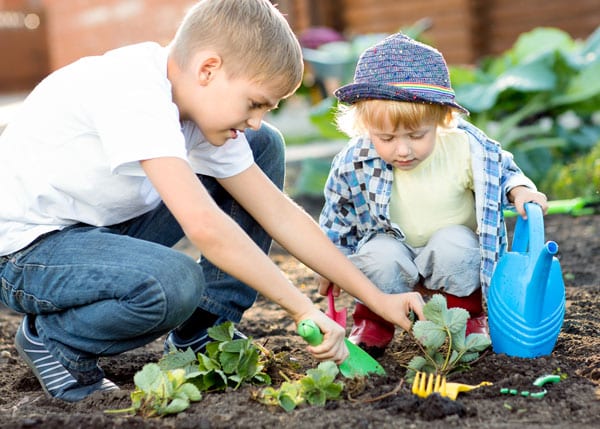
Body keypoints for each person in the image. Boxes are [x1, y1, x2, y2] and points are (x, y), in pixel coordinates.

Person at [0, 1, 425, 402]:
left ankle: (205, 330)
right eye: (255, 103)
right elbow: (205, 226)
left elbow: (277, 213)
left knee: (261, 144)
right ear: (208, 69)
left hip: (94, 232)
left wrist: (375, 297)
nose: (256, 117)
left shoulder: (195, 103)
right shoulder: (133, 90)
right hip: (26, 254)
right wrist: (302, 310)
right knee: (173, 283)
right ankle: (57, 342)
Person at [317, 33, 548, 358]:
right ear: (365, 128)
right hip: (393, 249)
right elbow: (338, 215)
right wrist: (329, 262)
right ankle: (373, 324)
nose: (402, 149)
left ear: (441, 118)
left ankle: (465, 320)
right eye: (386, 137)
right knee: (375, 256)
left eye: (416, 135)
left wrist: (521, 190)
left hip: (450, 255)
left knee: (457, 245)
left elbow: (504, 170)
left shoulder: (467, 148)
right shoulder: (354, 159)